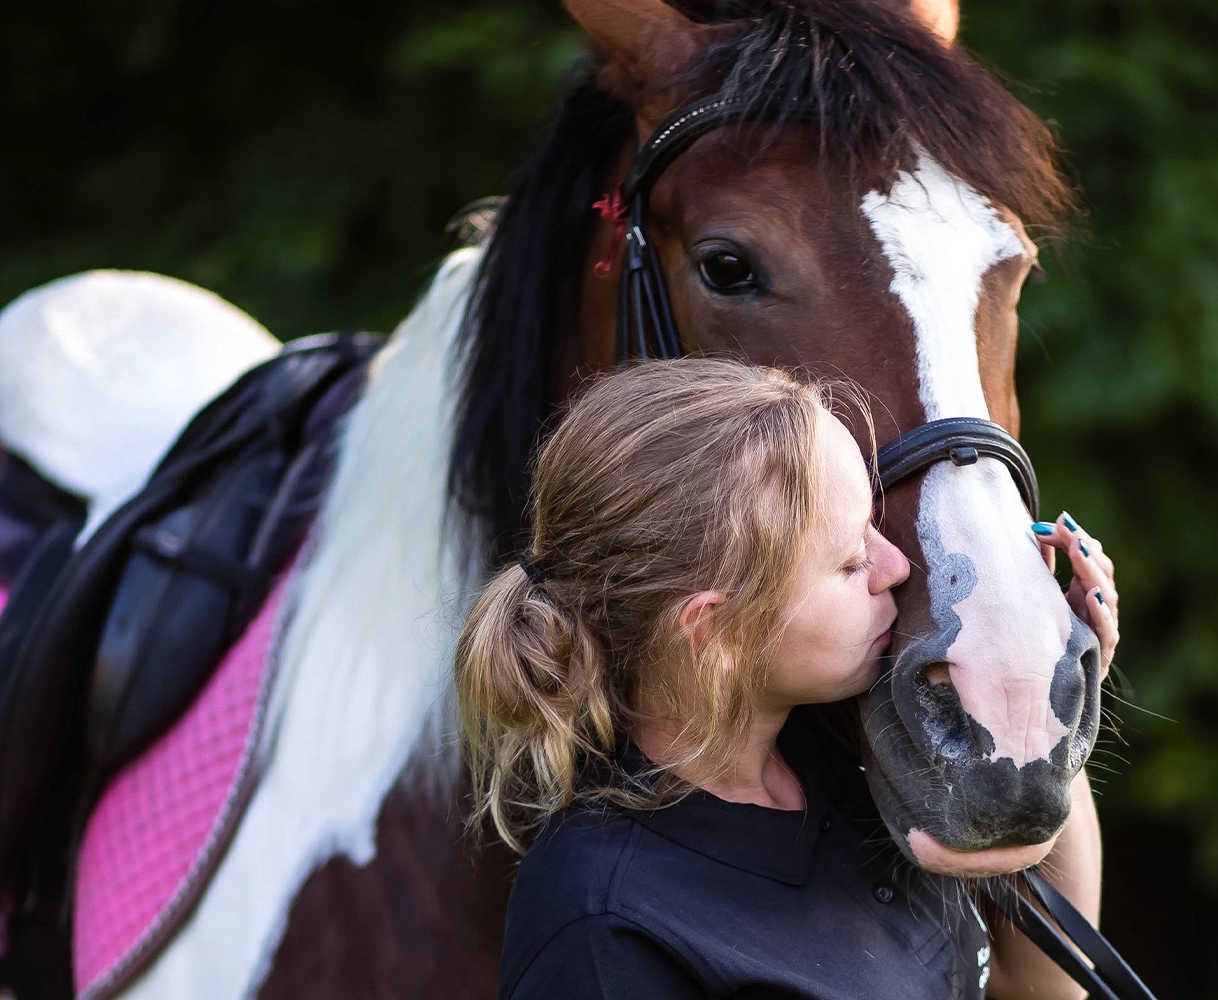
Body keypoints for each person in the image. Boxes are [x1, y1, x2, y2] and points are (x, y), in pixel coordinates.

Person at [454, 358, 1119, 1000]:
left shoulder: (841, 756)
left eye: (873, 526)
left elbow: (1041, 982)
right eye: (852, 558)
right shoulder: (604, 929)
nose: (895, 567)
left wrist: (1039, 703)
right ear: (715, 632)